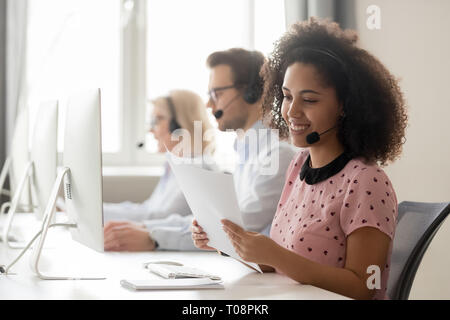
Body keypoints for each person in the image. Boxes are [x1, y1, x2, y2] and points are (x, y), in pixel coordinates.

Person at [192, 18, 408, 300]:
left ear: (345, 105)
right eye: (286, 96)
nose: (291, 111)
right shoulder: (298, 166)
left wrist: (276, 256)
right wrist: (227, 243)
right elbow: (282, 266)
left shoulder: (366, 181)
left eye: (309, 100)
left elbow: (364, 286)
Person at [191, 47, 296, 249]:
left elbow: (236, 226)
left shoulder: (278, 155)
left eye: (217, 93)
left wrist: (155, 237)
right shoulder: (245, 152)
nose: (208, 104)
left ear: (252, 92)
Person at [103, 89, 216, 251]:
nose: (151, 130)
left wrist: (96, 214)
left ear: (179, 124)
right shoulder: (175, 166)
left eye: (158, 120)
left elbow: (160, 216)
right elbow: (147, 209)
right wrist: (96, 210)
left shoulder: (200, 169)